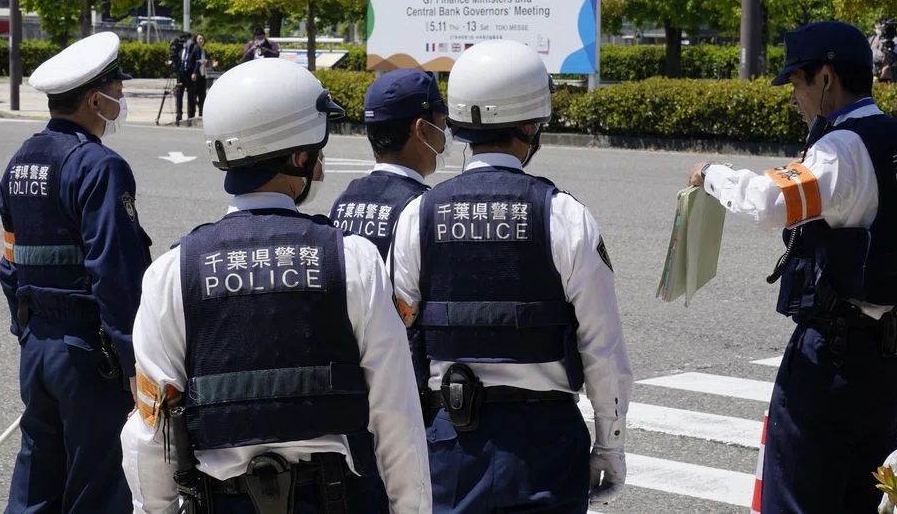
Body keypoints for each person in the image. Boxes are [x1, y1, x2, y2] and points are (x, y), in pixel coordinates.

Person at [121, 59, 432, 514]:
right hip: (337, 500)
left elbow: (151, 433)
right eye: (318, 150)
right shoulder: (352, 260)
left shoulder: (172, 271)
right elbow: (396, 418)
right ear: (299, 157)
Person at [688, 20, 897, 514]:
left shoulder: (841, 149)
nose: (794, 98)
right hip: (888, 360)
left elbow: (770, 201)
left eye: (796, 84)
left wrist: (711, 175)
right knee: (862, 500)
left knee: (797, 500)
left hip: (832, 363)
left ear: (825, 79)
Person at [389, 40, 633, 513]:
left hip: (449, 440)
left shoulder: (417, 216)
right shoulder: (564, 215)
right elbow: (603, 348)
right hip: (545, 443)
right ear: (529, 123)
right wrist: (610, 443)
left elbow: (397, 345)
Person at [0, 32, 153, 513]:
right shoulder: (98, 166)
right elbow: (116, 270)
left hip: (40, 346)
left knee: (37, 477)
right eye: (117, 93)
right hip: (89, 355)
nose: (120, 101)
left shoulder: (21, 159)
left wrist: (27, 331)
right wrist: (135, 365)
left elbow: (10, 263)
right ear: (94, 99)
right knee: (98, 486)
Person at [330, 68, 450, 260]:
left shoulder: (341, 203)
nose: (446, 131)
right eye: (443, 121)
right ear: (422, 130)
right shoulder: (423, 211)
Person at [166, 32, 197, 126]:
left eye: (187, 39)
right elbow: (175, 58)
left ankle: (191, 117)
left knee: (191, 96)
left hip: (189, 74)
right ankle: (178, 116)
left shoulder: (194, 48)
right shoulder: (180, 48)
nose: (185, 41)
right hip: (181, 73)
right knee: (179, 95)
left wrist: (195, 72)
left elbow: (197, 62)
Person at [187, 33, 218, 118]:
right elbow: (196, 62)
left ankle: (201, 115)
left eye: (202, 39)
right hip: (196, 75)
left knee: (202, 96)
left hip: (202, 75)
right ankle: (192, 116)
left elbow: (206, 64)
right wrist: (194, 73)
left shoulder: (203, 50)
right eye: (199, 39)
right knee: (194, 96)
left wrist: (211, 65)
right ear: (196, 40)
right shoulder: (196, 49)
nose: (201, 40)